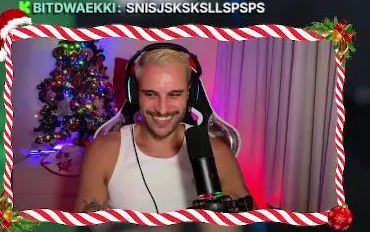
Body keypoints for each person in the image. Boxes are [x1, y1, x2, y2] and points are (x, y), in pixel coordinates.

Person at [75, 45, 249, 213]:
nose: (162, 109)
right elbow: (84, 228)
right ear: (134, 94)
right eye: (150, 94)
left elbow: (248, 227)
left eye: (175, 94)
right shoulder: (104, 151)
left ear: (190, 94)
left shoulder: (217, 153)